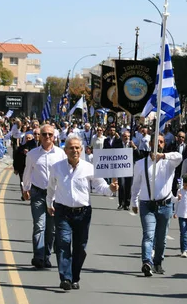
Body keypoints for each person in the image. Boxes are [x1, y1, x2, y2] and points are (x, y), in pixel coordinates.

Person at [46, 135, 118, 290]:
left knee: (80, 247)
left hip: (83, 213)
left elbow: (101, 187)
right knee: (63, 243)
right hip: (62, 211)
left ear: (82, 150)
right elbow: (51, 187)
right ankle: (65, 277)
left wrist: (111, 189)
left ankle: (75, 276)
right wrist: (49, 203)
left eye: (77, 148)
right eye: (71, 148)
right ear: (65, 151)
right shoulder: (57, 167)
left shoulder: (89, 168)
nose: (74, 151)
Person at [131, 134, 183, 276]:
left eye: (161, 142)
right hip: (147, 204)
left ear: (163, 144)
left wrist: (163, 156)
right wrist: (133, 201)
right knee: (148, 234)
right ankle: (147, 262)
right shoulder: (141, 164)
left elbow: (179, 156)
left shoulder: (169, 162)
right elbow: (135, 185)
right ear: (151, 144)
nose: (158, 144)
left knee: (161, 237)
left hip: (165, 204)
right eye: (156, 142)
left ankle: (158, 261)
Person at [22, 124, 67, 269]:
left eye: (50, 134)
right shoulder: (32, 154)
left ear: (54, 137)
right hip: (38, 193)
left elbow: (65, 174)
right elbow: (27, 172)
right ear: (39, 136)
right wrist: (25, 188)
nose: (47, 137)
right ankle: (38, 257)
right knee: (39, 226)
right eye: (44, 134)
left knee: (51, 229)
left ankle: (47, 256)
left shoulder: (61, 154)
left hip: (55, 195)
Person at [117, 131, 140, 210]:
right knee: (122, 185)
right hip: (120, 168)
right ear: (122, 137)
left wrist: (134, 147)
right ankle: (121, 203)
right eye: (125, 136)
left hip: (130, 169)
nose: (126, 138)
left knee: (128, 187)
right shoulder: (118, 144)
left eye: (128, 136)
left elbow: (139, 155)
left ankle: (127, 204)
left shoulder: (132, 145)